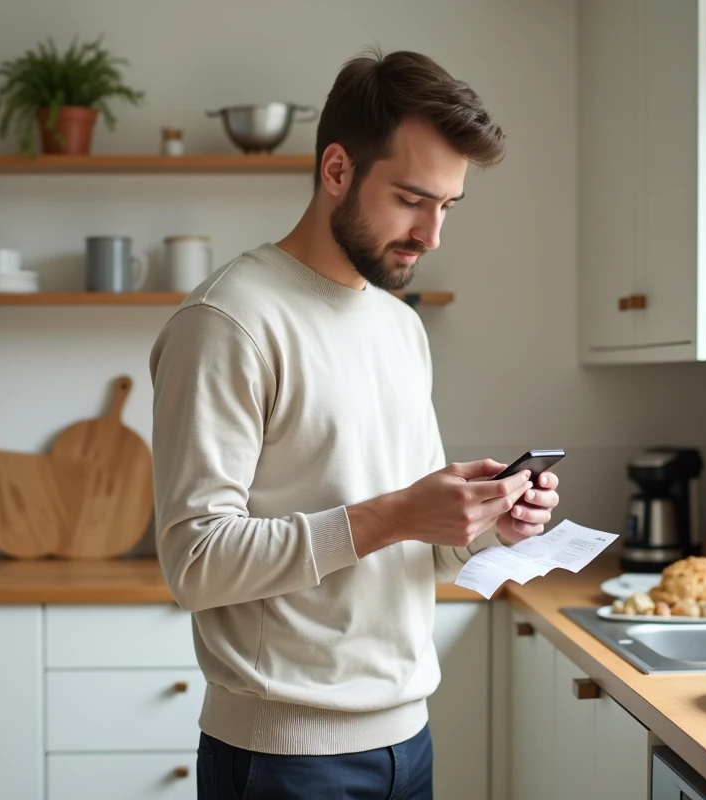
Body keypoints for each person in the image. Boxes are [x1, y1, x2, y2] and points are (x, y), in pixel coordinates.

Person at [148, 47, 561, 799]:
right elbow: (195, 563)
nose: (432, 234)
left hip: (408, 739)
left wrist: (485, 522)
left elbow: (413, 546)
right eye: (411, 199)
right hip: (283, 757)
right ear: (336, 170)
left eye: (448, 206)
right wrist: (399, 511)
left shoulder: (399, 325)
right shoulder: (229, 321)